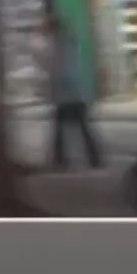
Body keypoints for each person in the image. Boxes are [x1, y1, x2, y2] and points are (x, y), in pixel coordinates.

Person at [40, 16, 101, 170]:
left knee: (63, 130)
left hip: (67, 95)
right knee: (81, 129)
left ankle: (61, 161)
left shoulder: (60, 46)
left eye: (47, 29)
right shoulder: (69, 43)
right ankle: (93, 159)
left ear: (53, 29)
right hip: (74, 94)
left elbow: (61, 71)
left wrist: (53, 88)